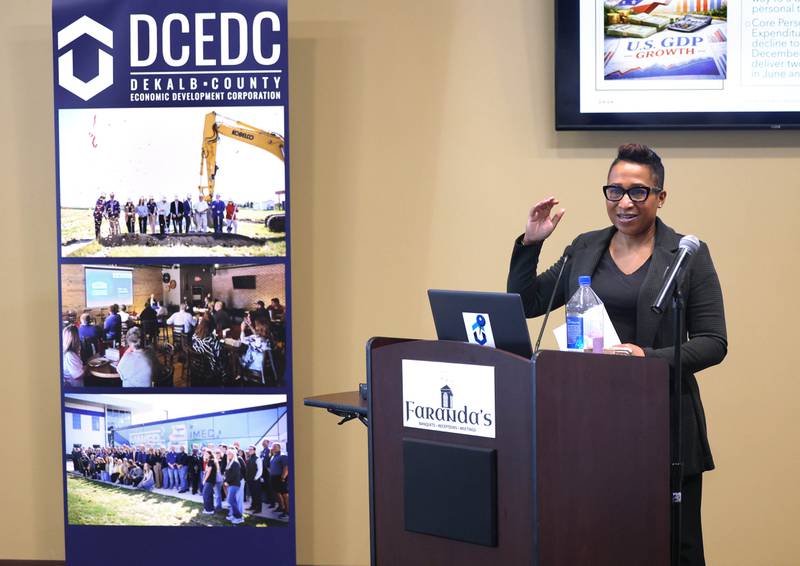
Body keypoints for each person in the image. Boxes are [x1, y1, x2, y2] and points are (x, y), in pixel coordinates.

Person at [507, 143, 726, 566]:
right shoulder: (584, 248)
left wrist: (646, 358)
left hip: (662, 424)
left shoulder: (686, 255)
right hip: (589, 423)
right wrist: (530, 243)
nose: (625, 202)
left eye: (638, 191)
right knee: (594, 542)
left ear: (660, 197)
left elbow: (714, 341)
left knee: (671, 548)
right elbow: (527, 301)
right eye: (615, 191)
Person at [191, 314, 227, 384]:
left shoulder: (194, 336)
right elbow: (219, 357)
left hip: (196, 367)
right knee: (225, 360)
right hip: (210, 370)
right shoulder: (212, 341)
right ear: (212, 327)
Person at [268, 443, 290, 518]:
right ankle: (281, 507)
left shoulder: (283, 456)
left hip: (280, 477)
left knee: (284, 494)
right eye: (273, 447)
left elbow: (286, 467)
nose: (273, 448)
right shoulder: (273, 456)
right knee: (277, 493)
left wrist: (283, 477)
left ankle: (287, 511)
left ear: (279, 448)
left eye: (275, 447)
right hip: (273, 478)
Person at [224, 448, 244, 524]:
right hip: (231, 484)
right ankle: (234, 515)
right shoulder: (230, 463)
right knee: (233, 500)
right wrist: (225, 480)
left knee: (230, 500)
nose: (228, 455)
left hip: (235, 484)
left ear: (233, 454)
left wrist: (227, 481)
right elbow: (228, 474)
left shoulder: (235, 463)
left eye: (230, 453)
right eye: (227, 454)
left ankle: (239, 517)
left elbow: (234, 475)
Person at [245, 445, 263, 513]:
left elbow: (260, 470)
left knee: (257, 495)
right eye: (249, 449)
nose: (250, 451)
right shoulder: (249, 458)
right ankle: (253, 506)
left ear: (254, 450)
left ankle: (258, 509)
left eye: (251, 449)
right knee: (252, 494)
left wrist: (255, 478)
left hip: (255, 480)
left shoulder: (257, 458)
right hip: (249, 479)